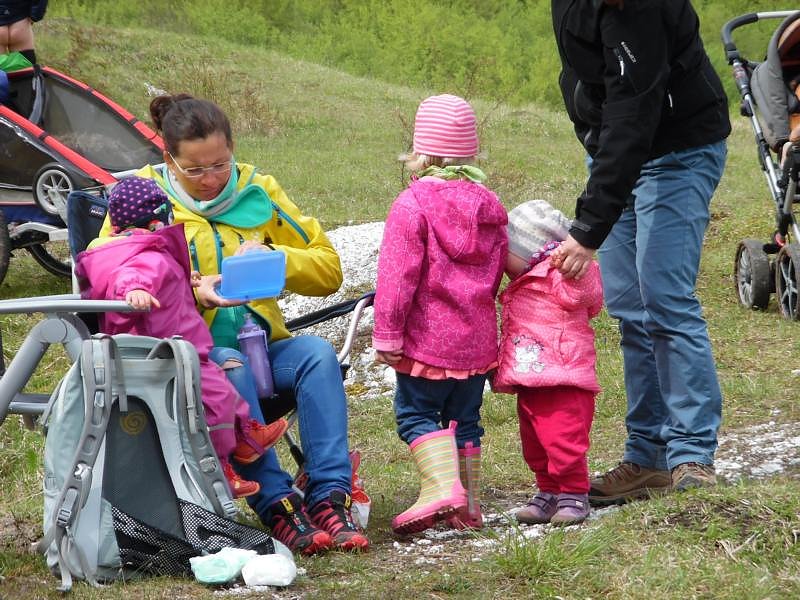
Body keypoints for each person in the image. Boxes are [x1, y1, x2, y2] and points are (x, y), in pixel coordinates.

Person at [97, 94, 368, 555]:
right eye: (195, 170)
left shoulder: (257, 192)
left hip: (263, 347)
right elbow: (111, 276)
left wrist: (277, 260)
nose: (211, 181)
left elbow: (329, 270)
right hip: (188, 361)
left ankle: (328, 497)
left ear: (233, 149)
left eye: (221, 164)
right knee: (228, 364)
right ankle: (277, 505)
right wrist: (190, 287)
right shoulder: (141, 199)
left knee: (317, 356)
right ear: (169, 159)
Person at [549, 0, 732, 505]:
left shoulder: (641, 9)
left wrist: (588, 230)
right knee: (630, 305)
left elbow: (635, 110)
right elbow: (584, 76)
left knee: (664, 298)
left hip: (677, 151)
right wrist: (595, 143)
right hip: (618, 147)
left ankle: (691, 453)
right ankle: (647, 455)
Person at [76, 176, 290, 500]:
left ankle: (245, 437)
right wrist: (134, 291)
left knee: (223, 388)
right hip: (168, 353)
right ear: (154, 222)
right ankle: (221, 470)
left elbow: (153, 272)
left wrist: (185, 278)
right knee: (216, 400)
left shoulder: (132, 249)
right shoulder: (145, 256)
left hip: (179, 349)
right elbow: (132, 275)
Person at [372, 94, 508, 534]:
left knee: (415, 415)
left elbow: (398, 275)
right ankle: (467, 509)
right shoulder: (488, 205)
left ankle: (442, 490)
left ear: (419, 153)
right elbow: (497, 269)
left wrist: (388, 334)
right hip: (476, 340)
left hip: (427, 342)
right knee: (466, 419)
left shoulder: (411, 206)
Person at [492, 200, 603, 526]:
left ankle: (573, 492)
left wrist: (572, 270)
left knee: (564, 440)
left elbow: (587, 298)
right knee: (536, 445)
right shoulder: (524, 277)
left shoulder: (563, 274)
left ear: (529, 249)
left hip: (564, 379)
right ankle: (548, 490)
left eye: (506, 248)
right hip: (532, 378)